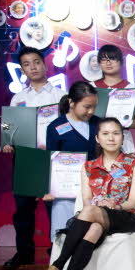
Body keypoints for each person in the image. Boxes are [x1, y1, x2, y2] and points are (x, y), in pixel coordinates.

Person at [34, 117, 135, 270]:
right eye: (105, 134)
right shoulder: (88, 167)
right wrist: (98, 205)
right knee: (93, 227)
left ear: (122, 137)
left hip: (123, 217)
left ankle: (57, 265)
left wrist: (114, 204)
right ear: (97, 138)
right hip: (96, 215)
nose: (111, 138)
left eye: (116, 133)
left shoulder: (134, 164)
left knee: (90, 213)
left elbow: (133, 203)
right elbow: (87, 201)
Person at [1, 47, 67, 269]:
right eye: (27, 64)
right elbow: (9, 125)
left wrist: (56, 142)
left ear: (45, 65)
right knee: (23, 209)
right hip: (26, 158)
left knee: (56, 207)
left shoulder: (60, 96)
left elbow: (68, 125)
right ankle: (24, 253)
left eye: (36, 62)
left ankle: (57, 250)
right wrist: (7, 142)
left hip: (53, 157)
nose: (33, 67)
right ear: (22, 70)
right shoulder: (18, 98)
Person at [44, 81, 101, 239]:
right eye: (87, 107)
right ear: (71, 102)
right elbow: (50, 160)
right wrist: (48, 188)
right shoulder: (55, 127)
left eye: (94, 107)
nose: (91, 111)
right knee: (64, 236)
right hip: (65, 192)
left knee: (90, 237)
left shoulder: (98, 123)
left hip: (94, 190)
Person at [93, 44, 135, 154]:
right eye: (104, 59)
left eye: (112, 58)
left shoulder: (131, 88)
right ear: (99, 63)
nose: (108, 63)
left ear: (121, 62)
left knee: (125, 166)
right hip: (95, 141)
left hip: (123, 141)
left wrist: (125, 122)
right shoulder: (90, 87)